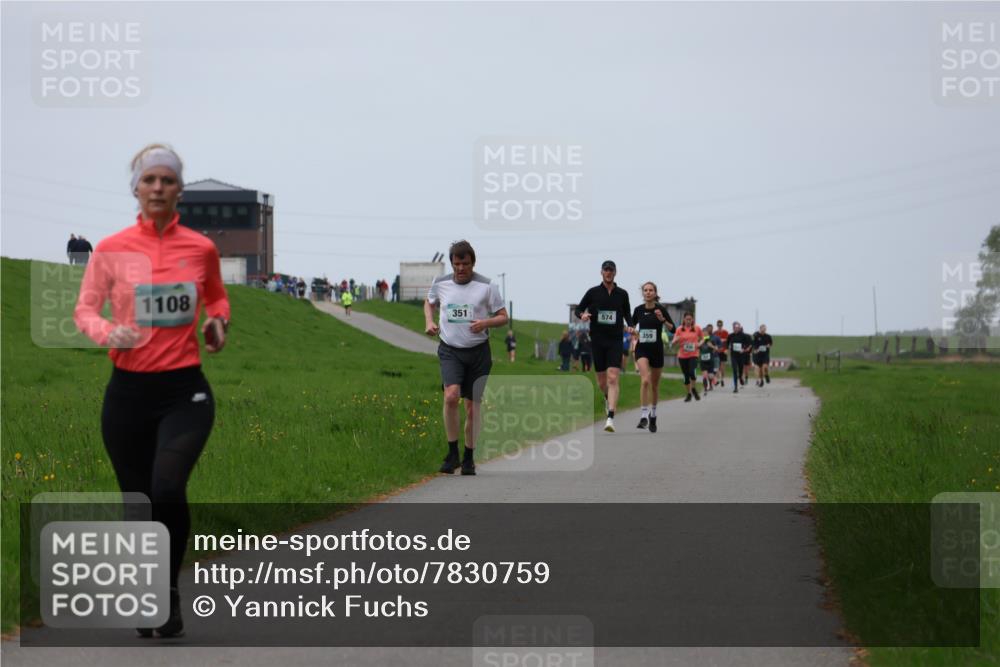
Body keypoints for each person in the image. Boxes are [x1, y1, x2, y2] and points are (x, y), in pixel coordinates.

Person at [73, 144, 229, 639]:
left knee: (166, 488)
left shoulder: (200, 248)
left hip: (185, 391)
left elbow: (218, 298)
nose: (158, 188)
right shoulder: (112, 249)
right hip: (128, 394)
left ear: (179, 189)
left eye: (167, 180)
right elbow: (85, 310)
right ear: (136, 189)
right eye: (149, 181)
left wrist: (217, 323)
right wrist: (105, 332)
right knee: (138, 500)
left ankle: (167, 592)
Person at [424, 240, 508, 475]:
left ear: (473, 263)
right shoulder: (440, 283)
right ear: (452, 263)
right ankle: (452, 454)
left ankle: (469, 456)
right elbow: (429, 303)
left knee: (472, 408)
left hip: (479, 352)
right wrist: (429, 322)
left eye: (466, 264)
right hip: (450, 349)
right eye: (457, 264)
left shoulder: (487, 286)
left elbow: (503, 317)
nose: (461, 268)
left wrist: (485, 323)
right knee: (451, 396)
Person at [574, 260, 633, 432]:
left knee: (613, 377)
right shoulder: (593, 292)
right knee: (601, 382)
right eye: (606, 270)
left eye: (611, 270)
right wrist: (582, 315)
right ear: (601, 272)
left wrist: (630, 326)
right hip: (598, 340)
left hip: (615, 339)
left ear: (615, 273)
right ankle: (608, 398)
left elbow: (627, 313)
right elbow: (578, 309)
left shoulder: (622, 294)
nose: (608, 273)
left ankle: (610, 417)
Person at [631, 281, 675, 432]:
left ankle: (653, 415)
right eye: (645, 290)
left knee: (654, 386)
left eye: (651, 290)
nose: (648, 292)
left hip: (656, 350)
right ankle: (644, 415)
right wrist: (631, 330)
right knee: (645, 381)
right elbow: (632, 326)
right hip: (642, 349)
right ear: (642, 293)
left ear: (655, 293)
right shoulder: (638, 310)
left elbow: (673, 329)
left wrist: (662, 319)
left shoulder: (661, 309)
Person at [670, 312, 702, 402]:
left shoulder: (697, 328)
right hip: (682, 355)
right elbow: (674, 341)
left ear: (692, 320)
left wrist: (700, 343)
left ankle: (694, 388)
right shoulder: (680, 329)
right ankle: (688, 394)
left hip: (693, 354)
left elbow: (703, 338)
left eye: (690, 319)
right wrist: (674, 341)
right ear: (684, 320)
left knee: (692, 372)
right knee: (686, 376)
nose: (688, 321)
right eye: (687, 319)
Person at [727, 321, 753, 393]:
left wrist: (744, 349)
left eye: (737, 328)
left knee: (741, 369)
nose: (736, 329)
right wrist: (727, 350)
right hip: (733, 356)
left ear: (739, 328)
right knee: (735, 370)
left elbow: (750, 344)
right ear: (733, 328)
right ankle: (735, 387)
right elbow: (727, 344)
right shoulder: (730, 336)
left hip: (741, 356)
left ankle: (741, 377)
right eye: (735, 328)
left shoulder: (744, 335)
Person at [714, 319, 729, 387]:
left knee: (722, 367)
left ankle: (722, 379)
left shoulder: (725, 332)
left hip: (723, 351)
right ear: (717, 325)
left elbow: (728, 342)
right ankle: (718, 379)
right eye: (718, 325)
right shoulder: (715, 333)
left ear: (722, 325)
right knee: (717, 367)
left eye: (720, 325)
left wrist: (727, 349)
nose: (719, 326)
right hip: (717, 351)